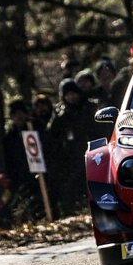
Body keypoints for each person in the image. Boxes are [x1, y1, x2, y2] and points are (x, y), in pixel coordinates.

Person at [45, 78, 107, 216]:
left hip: (94, 151)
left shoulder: (89, 107)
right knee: (74, 187)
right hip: (71, 157)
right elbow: (52, 133)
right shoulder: (61, 113)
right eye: (67, 94)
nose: (71, 97)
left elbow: (100, 128)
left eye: (73, 93)